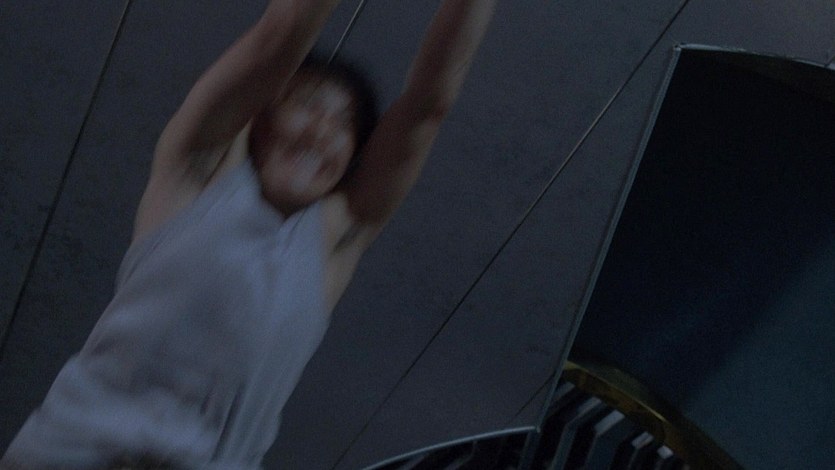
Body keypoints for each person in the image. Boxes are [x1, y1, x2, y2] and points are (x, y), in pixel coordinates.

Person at [1, 0, 497, 468]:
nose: (322, 129)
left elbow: (428, 106)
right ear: (260, 119)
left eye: (344, 124)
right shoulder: (196, 177)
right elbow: (282, 33)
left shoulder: (332, 241)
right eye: (307, 104)